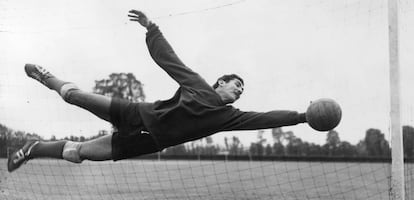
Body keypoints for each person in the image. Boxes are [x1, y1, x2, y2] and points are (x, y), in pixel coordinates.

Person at [7, 10, 308, 172]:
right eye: (236, 85)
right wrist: (153, 29)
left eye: (242, 90)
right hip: (136, 113)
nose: (239, 91)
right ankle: (47, 78)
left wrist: (302, 116)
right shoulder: (198, 85)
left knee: (78, 153)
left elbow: (266, 118)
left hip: (147, 142)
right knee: (73, 96)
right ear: (220, 83)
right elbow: (169, 59)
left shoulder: (229, 117)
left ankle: (33, 149)